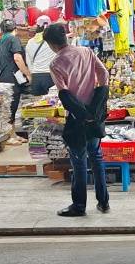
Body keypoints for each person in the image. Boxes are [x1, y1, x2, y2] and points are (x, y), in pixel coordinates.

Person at [44, 23, 111, 217]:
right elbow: (104, 74)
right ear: (65, 36)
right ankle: (104, 202)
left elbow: (65, 93)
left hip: (77, 117)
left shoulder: (56, 64)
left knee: (79, 162)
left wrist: (81, 112)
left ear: (51, 44)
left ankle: (79, 206)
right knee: (97, 158)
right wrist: (97, 101)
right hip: (94, 114)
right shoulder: (86, 51)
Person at [0, 19, 30, 126]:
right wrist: (28, 74)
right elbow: (17, 58)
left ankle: (12, 134)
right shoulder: (13, 39)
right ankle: (10, 136)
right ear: (15, 29)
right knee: (12, 107)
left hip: (4, 76)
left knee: (8, 107)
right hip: (13, 76)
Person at [25, 15, 57, 97]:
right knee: (53, 102)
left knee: (37, 106)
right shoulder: (53, 40)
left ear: (37, 26)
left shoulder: (30, 42)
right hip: (50, 75)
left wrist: (32, 74)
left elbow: (29, 61)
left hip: (36, 76)